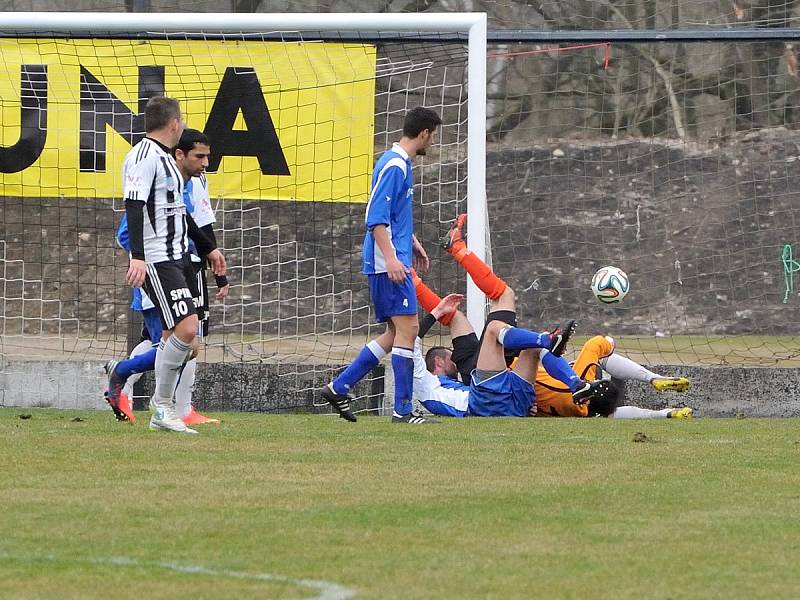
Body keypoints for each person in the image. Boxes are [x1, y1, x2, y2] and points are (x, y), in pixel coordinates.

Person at [411, 214, 691, 419]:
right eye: (445, 353)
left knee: (457, 317)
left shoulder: (435, 381)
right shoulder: (424, 380)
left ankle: (419, 275)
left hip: (495, 387)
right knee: (503, 301)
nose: (449, 350)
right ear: (438, 362)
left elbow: (605, 357)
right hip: (491, 388)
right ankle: (457, 250)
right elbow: (409, 342)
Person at [320, 107, 440, 424]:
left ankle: (339, 386)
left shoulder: (396, 162)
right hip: (388, 263)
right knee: (410, 328)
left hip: (391, 257)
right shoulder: (396, 165)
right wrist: (391, 259)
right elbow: (375, 218)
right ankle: (402, 411)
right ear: (425, 133)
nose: (433, 143)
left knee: (395, 332)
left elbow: (392, 215)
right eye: (434, 136)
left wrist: (410, 240)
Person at [105, 128, 229, 426]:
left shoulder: (188, 183)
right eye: (199, 157)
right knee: (178, 338)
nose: (205, 163)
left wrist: (210, 254)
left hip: (185, 268)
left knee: (182, 341)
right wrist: (143, 259)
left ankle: (169, 405)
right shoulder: (153, 176)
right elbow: (127, 230)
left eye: (206, 157)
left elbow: (196, 221)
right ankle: (148, 394)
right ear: (179, 153)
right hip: (158, 270)